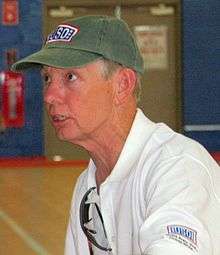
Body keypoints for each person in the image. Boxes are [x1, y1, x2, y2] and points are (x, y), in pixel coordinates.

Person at [12, 15, 220, 255]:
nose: (50, 95)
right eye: (48, 78)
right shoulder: (87, 187)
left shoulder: (178, 168)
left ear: (122, 84)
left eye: (70, 77)